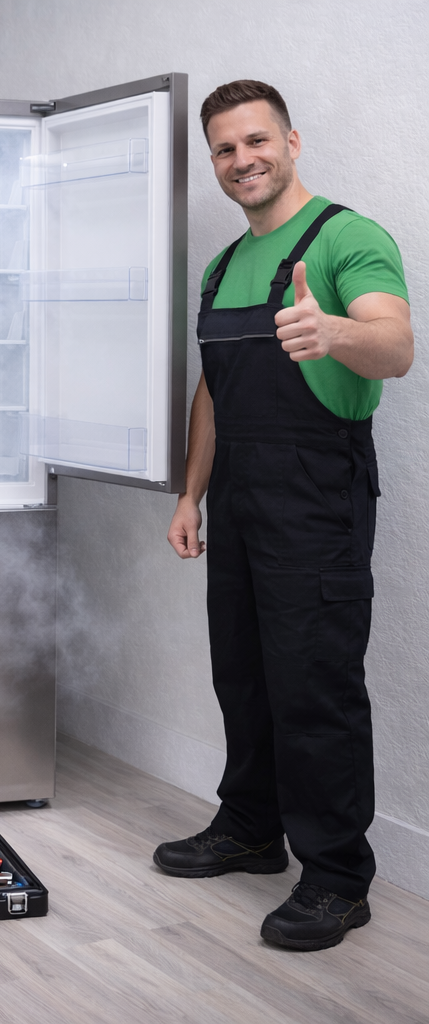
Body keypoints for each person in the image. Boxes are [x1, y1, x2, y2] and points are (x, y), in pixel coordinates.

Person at [155, 80, 413, 951]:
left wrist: (333, 332)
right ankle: (251, 828)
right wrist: (192, 494)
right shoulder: (223, 267)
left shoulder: (347, 237)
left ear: (292, 142)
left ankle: (339, 877)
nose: (241, 160)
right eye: (224, 149)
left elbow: (398, 345)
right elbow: (214, 394)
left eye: (255, 141)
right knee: (246, 674)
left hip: (316, 501)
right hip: (238, 501)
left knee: (315, 687)